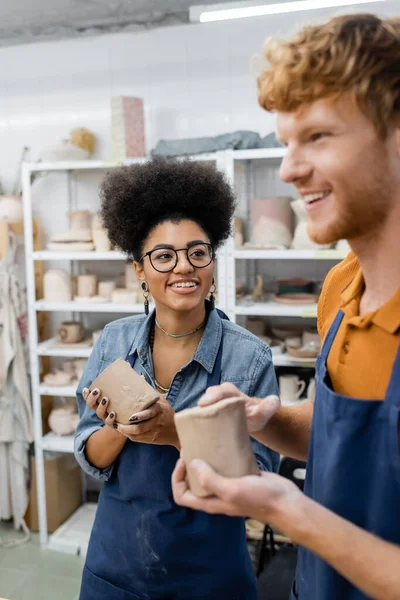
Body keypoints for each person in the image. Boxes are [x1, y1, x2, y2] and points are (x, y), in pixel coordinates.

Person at [172, 13, 400, 600]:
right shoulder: (342, 288)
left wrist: (286, 510)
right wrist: (264, 420)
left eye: (318, 136)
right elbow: (338, 437)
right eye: (285, 143)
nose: (289, 169)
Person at [74, 157, 279, 600]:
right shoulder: (114, 341)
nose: (183, 266)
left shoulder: (248, 357)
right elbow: (90, 454)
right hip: (116, 571)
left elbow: (259, 483)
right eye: (164, 256)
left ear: (212, 262)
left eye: (197, 252)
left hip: (207, 578)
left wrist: (175, 433)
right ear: (140, 271)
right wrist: (118, 427)